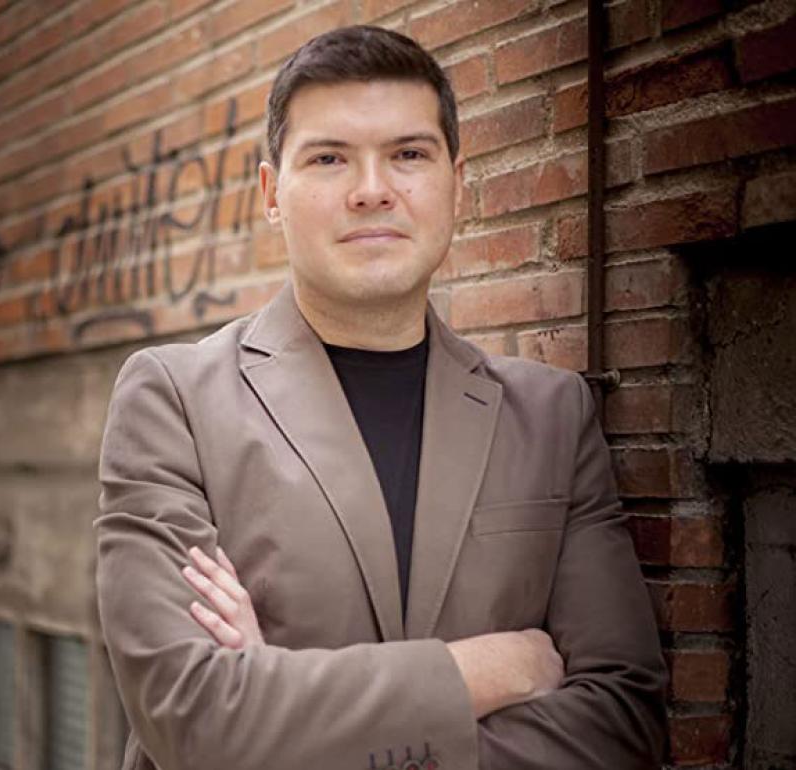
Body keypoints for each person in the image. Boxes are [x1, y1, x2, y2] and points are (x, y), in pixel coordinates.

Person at [94, 25, 666, 770]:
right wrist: (485, 671)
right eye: (329, 158)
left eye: (408, 155)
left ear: (456, 183)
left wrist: (279, 713)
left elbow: (624, 719)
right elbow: (192, 717)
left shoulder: (551, 416)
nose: (372, 190)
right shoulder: (174, 400)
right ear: (271, 195)